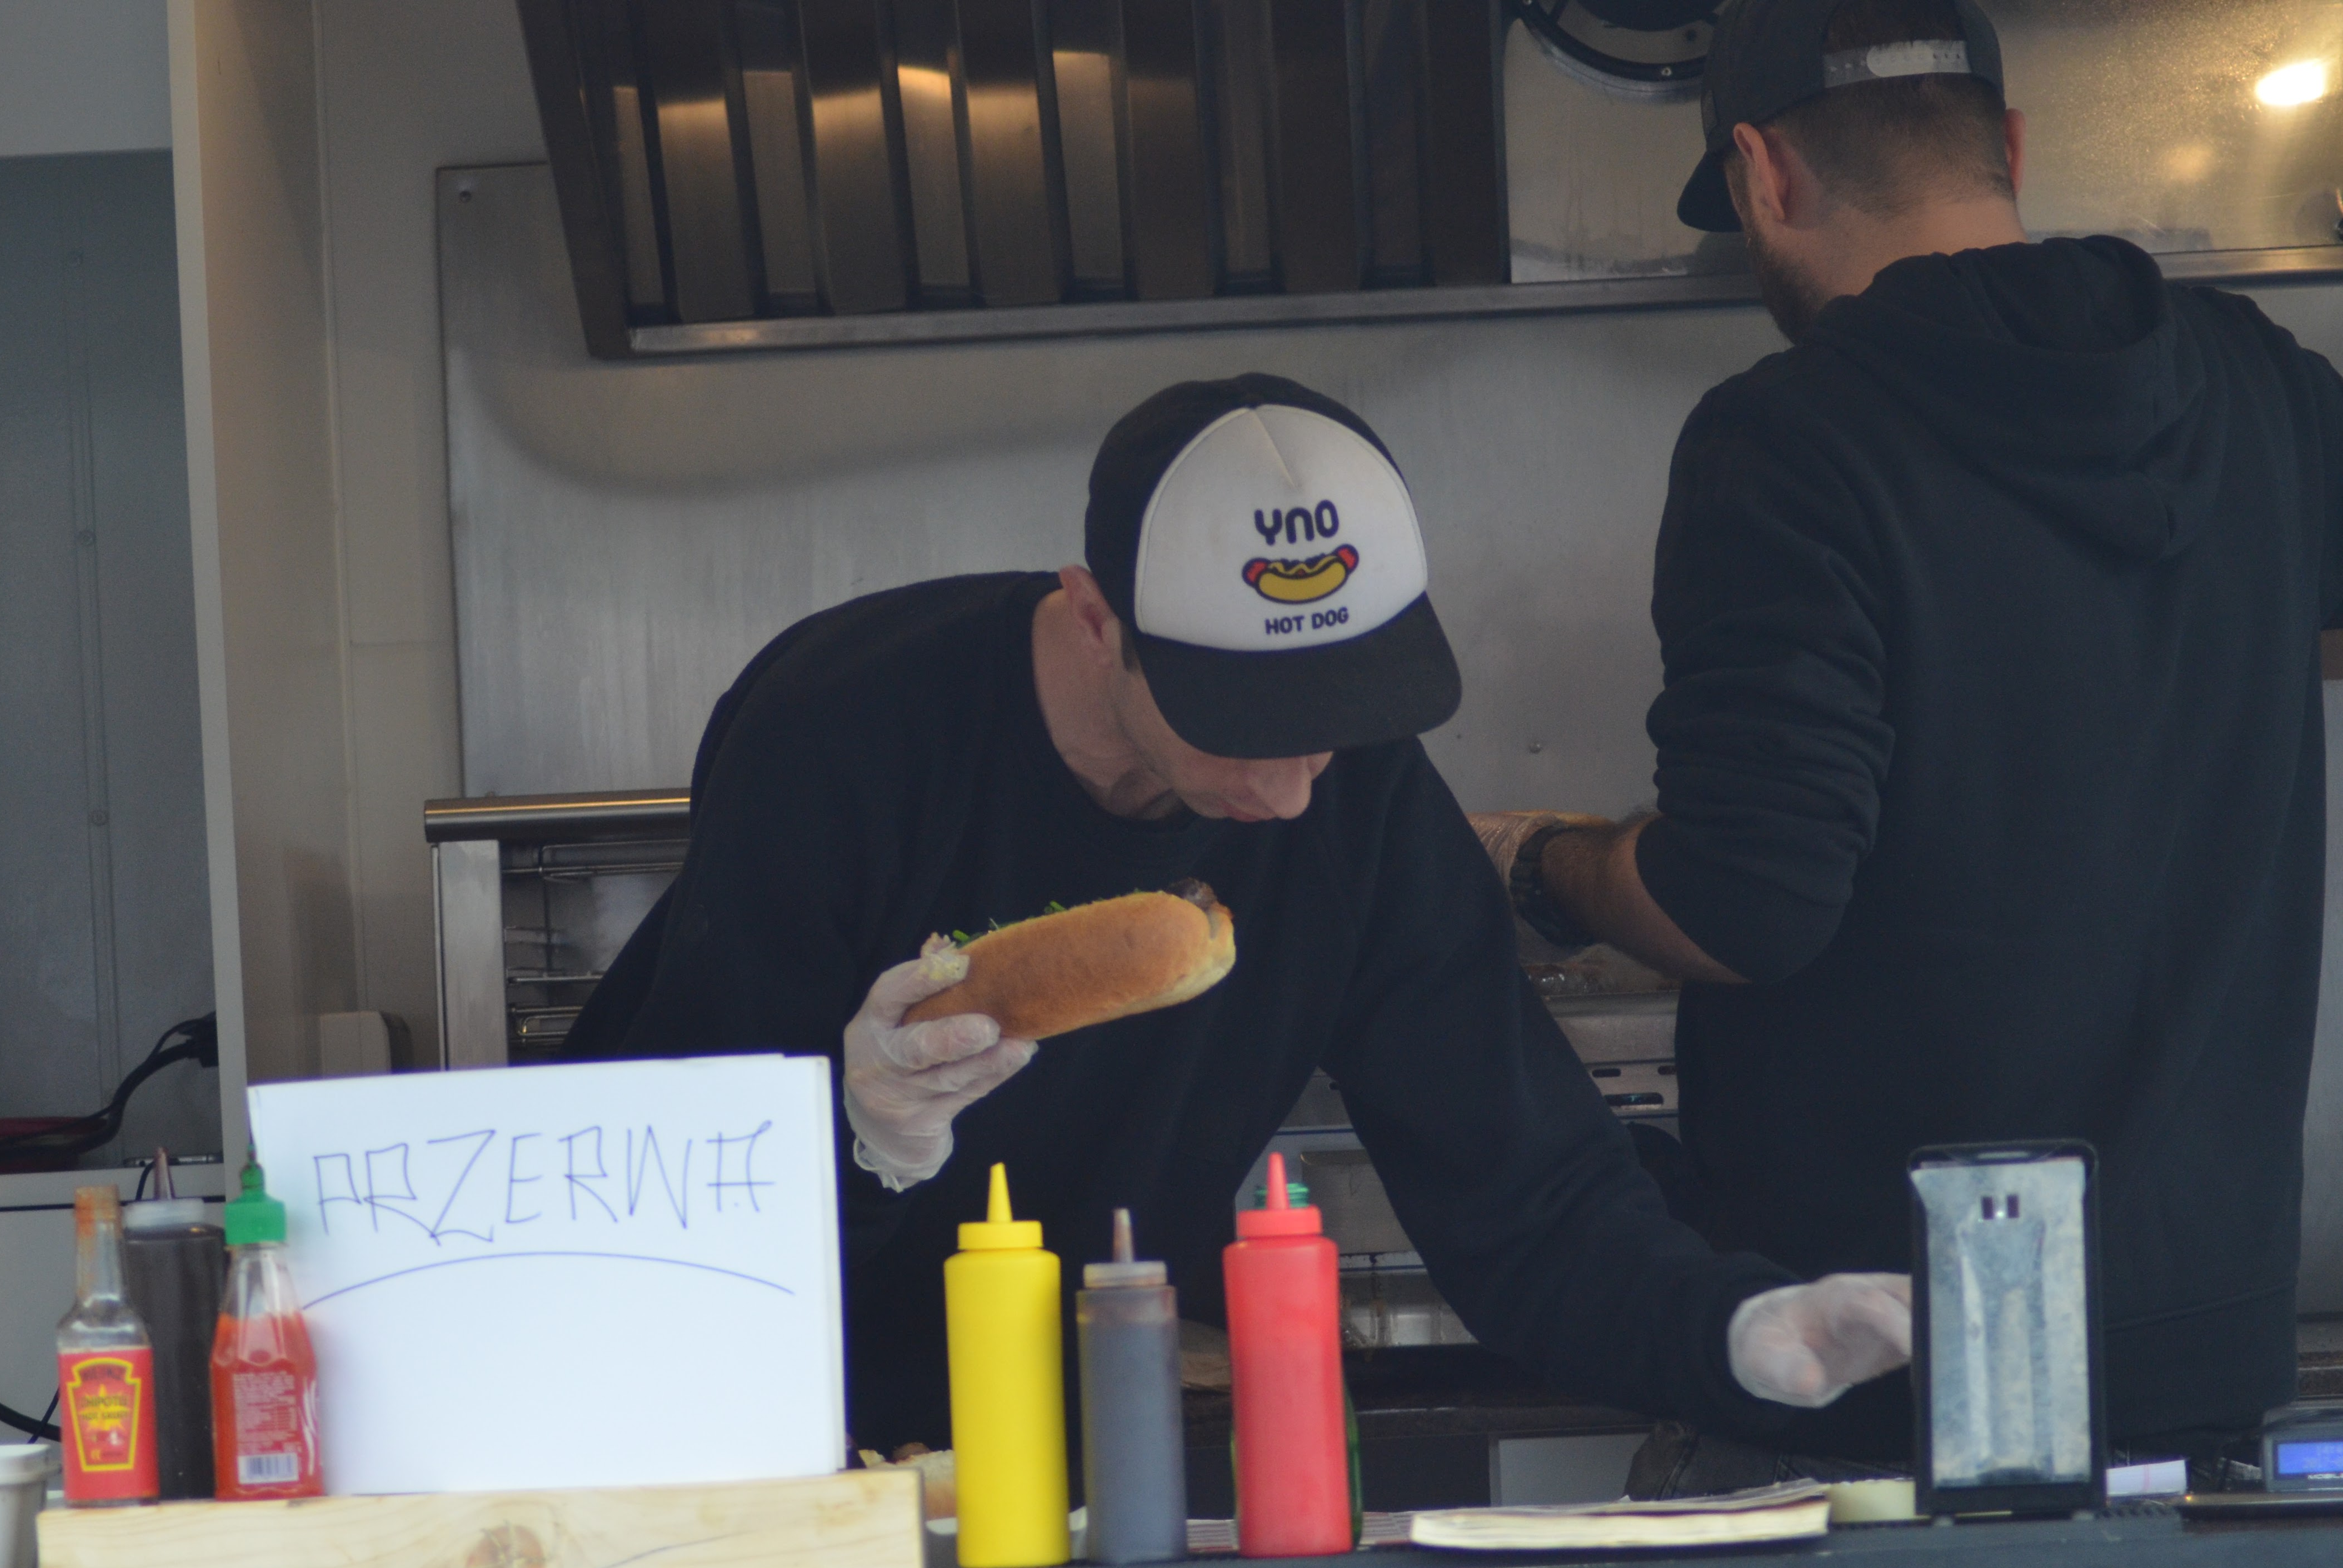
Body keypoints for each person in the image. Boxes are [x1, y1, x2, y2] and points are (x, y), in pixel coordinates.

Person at [566, 372, 1909, 1453]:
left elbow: (1526, 1193)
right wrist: (856, 1138)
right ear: (1095, 619)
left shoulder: (1359, 798)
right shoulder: (843, 729)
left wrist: (1740, 1335)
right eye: (1242, 722)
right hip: (768, 1438)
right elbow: (665, 1209)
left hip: (1092, 1443)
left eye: (1329, 720)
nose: (1285, 790)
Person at [1472, 0, 2343, 1480]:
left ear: (1762, 173)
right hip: (2205, 1360)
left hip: (1878, 1360)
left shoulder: (1788, 439)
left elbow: (1742, 905)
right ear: (2011, 147)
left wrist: (1544, 863)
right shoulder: (2258, 386)